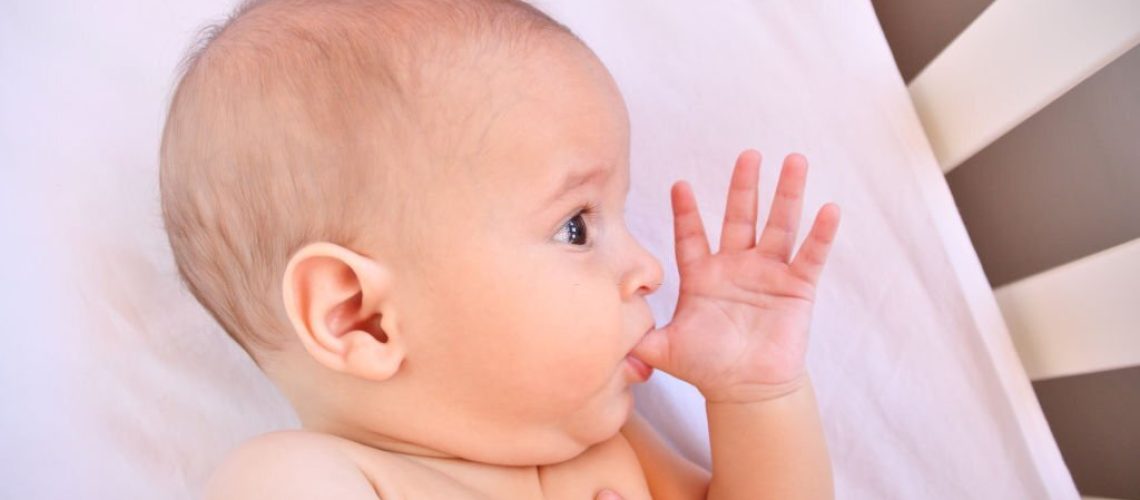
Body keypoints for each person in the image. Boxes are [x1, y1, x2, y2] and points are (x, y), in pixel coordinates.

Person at [159, 0, 841, 497]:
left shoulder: (613, 447)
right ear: (361, 317)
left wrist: (754, 395)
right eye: (576, 226)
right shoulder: (296, 479)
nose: (648, 268)